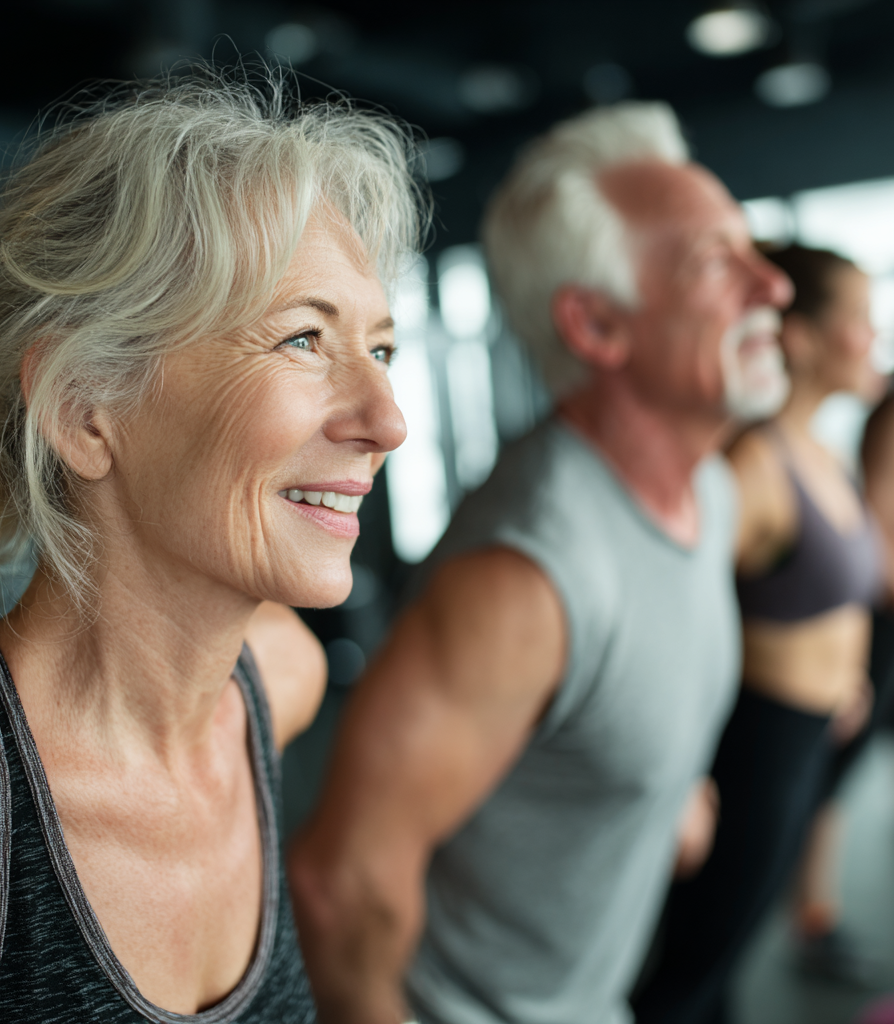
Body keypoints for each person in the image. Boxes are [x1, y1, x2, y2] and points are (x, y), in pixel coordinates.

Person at [0, 70, 424, 1023]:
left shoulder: (275, 683)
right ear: (87, 411)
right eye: (302, 338)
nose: (389, 419)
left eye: (379, 349)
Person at [288, 101, 792, 1024]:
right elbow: (340, 884)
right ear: (597, 327)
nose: (774, 287)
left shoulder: (707, 491)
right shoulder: (523, 577)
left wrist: (664, 785)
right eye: (718, 264)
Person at [632, 245, 885, 1024]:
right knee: (696, 963)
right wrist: (678, 777)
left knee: (735, 952)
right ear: (801, 337)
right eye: (859, 323)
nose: (875, 341)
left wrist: (850, 679)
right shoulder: (755, 465)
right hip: (756, 745)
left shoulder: (824, 455)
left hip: (813, 733)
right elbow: (667, 613)